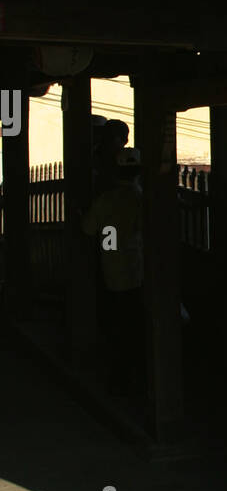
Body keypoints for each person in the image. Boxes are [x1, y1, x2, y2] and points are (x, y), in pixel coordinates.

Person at [81, 147, 144, 394]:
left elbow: (87, 228)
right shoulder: (141, 199)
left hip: (111, 273)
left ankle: (118, 378)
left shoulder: (105, 200)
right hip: (137, 273)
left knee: (116, 327)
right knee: (135, 327)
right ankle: (136, 376)